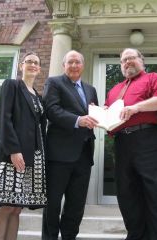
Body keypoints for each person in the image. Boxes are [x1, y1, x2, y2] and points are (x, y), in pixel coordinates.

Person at [105, 48, 157, 240]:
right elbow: (109, 116)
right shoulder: (114, 90)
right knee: (127, 193)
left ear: (141, 61)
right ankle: (135, 235)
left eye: (131, 58)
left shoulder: (153, 78)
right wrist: (100, 113)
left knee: (156, 190)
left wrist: (135, 108)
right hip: (122, 143)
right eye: (123, 60)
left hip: (148, 139)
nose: (127, 62)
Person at [42, 50, 98, 240]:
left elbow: (93, 114)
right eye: (70, 62)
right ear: (63, 65)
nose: (74, 66)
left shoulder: (91, 89)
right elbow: (51, 109)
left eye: (78, 62)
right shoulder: (55, 83)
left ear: (83, 65)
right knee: (53, 203)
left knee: (76, 204)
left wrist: (102, 114)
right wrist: (77, 120)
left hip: (84, 154)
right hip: (59, 154)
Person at [0, 51, 47, 240]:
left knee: (16, 208)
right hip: (11, 154)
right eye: (29, 61)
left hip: (31, 157)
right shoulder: (12, 85)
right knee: (5, 204)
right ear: (21, 66)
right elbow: (4, 119)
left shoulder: (38, 97)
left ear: (39, 69)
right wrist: (14, 150)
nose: (32, 65)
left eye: (36, 63)